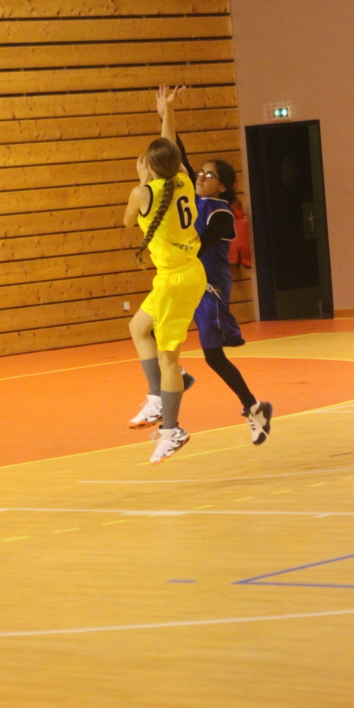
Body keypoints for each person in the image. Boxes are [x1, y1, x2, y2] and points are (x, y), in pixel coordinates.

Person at [157, 85, 273, 445]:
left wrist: (166, 246)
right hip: (188, 280)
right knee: (152, 327)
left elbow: (199, 246)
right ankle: (178, 376)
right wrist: (167, 113)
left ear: (223, 186)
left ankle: (254, 407)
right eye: (201, 173)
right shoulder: (194, 198)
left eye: (209, 176)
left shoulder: (221, 212)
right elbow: (179, 157)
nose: (201, 177)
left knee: (214, 356)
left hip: (210, 286)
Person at [124, 88, 207, 464]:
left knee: (168, 357)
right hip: (184, 273)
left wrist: (141, 182)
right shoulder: (184, 179)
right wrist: (167, 112)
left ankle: (173, 431)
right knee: (139, 327)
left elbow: (128, 223)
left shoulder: (142, 194)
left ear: (150, 166)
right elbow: (171, 147)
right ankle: (158, 396)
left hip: (177, 281)